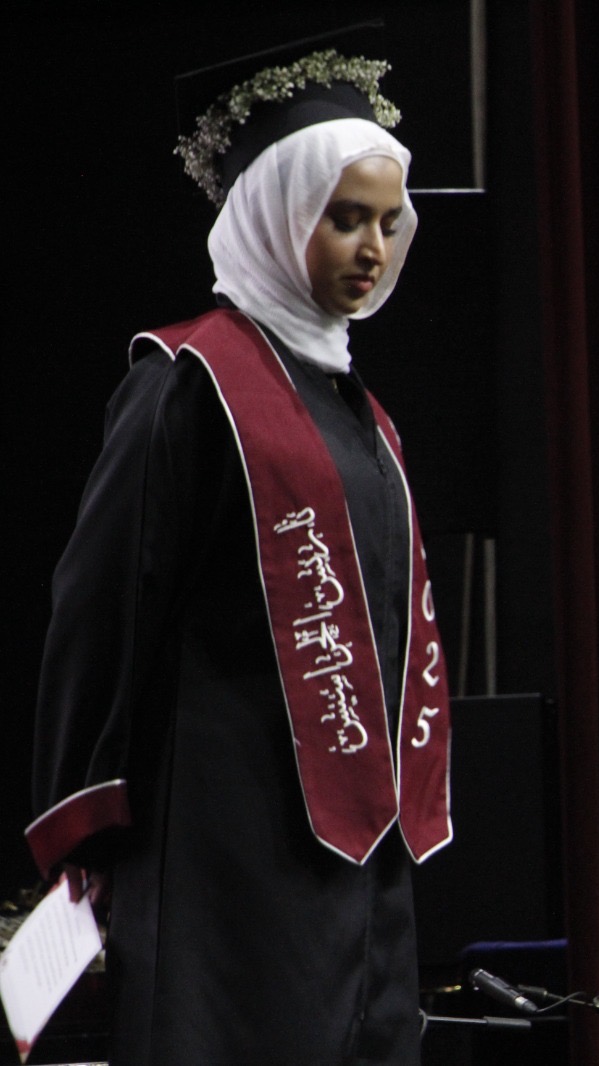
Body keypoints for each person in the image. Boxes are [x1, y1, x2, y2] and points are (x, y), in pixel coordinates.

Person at [26, 29, 451, 1065]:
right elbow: (103, 606)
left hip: (356, 857)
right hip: (224, 843)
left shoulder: (365, 414)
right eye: (345, 219)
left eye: (388, 222)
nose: (372, 248)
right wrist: (87, 814)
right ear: (276, 212)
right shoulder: (189, 382)